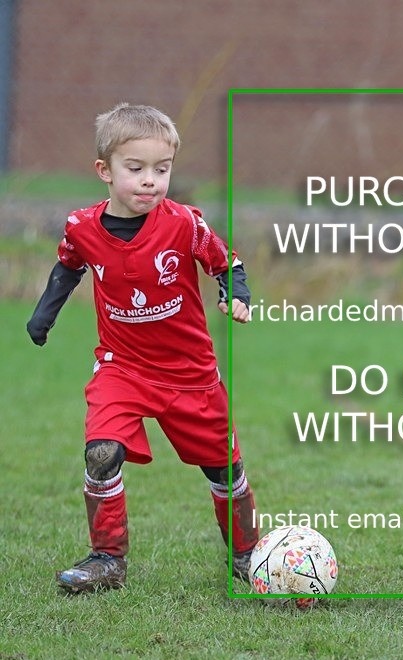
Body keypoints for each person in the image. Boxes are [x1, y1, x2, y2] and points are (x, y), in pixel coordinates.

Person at [27, 103, 260, 593]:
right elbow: (69, 265)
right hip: (122, 368)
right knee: (102, 452)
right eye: (136, 169)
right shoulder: (81, 227)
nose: (150, 181)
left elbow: (227, 262)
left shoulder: (183, 224)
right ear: (105, 171)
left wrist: (234, 295)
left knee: (223, 468)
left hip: (190, 373)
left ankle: (247, 556)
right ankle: (107, 559)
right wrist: (43, 315)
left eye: (162, 169)